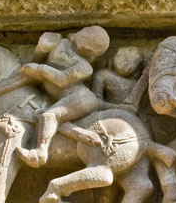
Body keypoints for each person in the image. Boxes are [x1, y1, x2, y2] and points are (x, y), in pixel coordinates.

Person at [15, 26, 110, 166]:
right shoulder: (61, 43)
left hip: (81, 98)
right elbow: (37, 60)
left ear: (92, 51)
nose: (82, 42)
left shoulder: (85, 67)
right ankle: (75, 131)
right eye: (85, 35)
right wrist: (42, 48)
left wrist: (40, 69)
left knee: (49, 116)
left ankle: (40, 153)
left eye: (88, 43)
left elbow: (62, 79)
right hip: (56, 96)